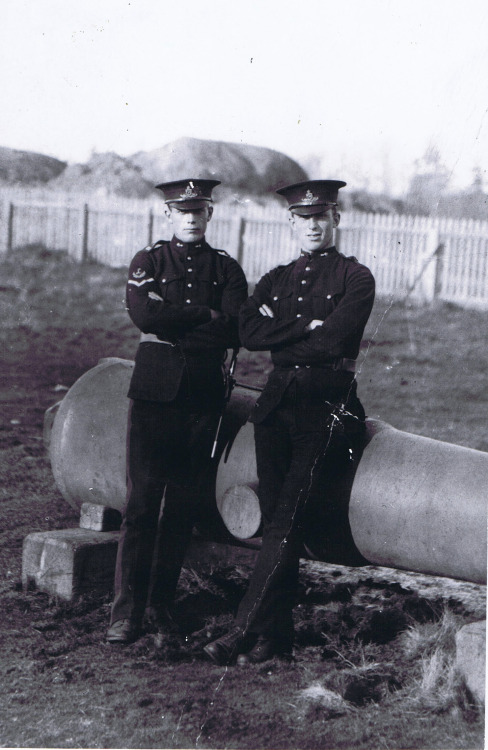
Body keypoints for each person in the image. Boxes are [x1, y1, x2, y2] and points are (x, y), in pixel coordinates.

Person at [204, 179, 375, 666]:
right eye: (303, 219)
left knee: (284, 520)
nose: (313, 226)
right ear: (291, 224)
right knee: (278, 521)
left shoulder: (355, 278)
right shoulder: (277, 279)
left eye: (321, 217)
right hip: (276, 408)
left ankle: (243, 630)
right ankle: (273, 636)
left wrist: (288, 340)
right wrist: (302, 328)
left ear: (335, 220)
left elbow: (333, 344)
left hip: (325, 407)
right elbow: (249, 332)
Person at [107, 178, 248, 645]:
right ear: (168, 214)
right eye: (181, 209)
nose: (190, 217)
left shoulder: (226, 269)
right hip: (153, 395)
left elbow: (234, 330)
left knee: (182, 506)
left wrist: (182, 319)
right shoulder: (148, 260)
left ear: (210, 214)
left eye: (199, 209)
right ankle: (125, 613)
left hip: (203, 396)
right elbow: (145, 317)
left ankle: (161, 606)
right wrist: (203, 316)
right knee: (142, 504)